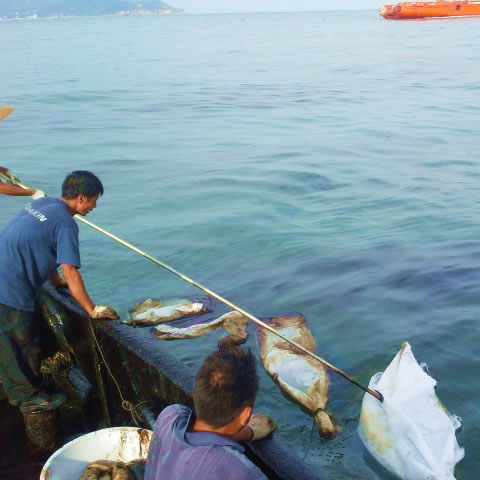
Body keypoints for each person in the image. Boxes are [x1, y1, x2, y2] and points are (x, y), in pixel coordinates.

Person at [0, 170, 119, 413]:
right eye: (94, 200)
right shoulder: (66, 223)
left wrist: (55, 281)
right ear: (81, 198)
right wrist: (92, 309)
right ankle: (26, 397)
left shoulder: (43, 204)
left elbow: (44, 246)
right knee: (19, 343)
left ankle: (32, 386)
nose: (95, 207)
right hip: (9, 288)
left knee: (22, 339)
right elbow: (71, 272)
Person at [145, 346, 277, 480]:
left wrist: (244, 433)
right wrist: (247, 431)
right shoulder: (242, 473)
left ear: (198, 392)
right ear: (245, 415)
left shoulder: (170, 415)